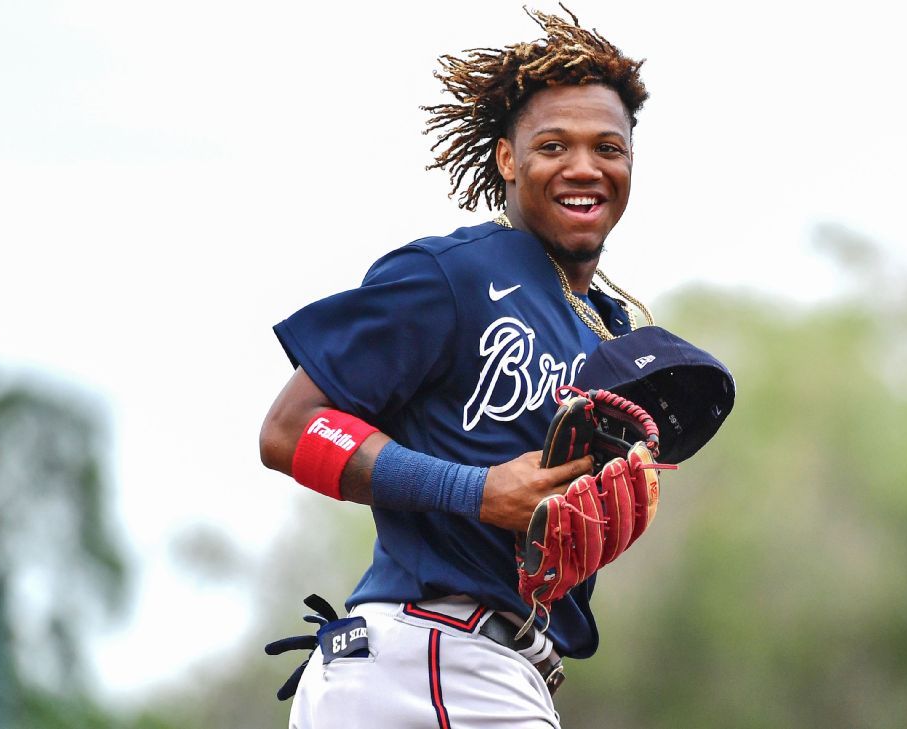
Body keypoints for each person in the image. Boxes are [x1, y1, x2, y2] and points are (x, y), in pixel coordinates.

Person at [258, 8, 652, 727]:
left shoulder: (610, 331)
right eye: (553, 145)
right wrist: (477, 490)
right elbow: (289, 431)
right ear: (507, 159)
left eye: (609, 147)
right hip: (435, 661)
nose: (584, 167)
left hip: (473, 666)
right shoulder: (457, 275)